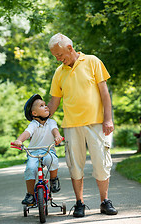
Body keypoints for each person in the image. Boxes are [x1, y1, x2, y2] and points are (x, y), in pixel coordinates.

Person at [47, 33, 118, 217]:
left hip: (96, 123)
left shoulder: (93, 61)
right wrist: (41, 118)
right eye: (55, 56)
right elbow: (54, 102)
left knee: (101, 164)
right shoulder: (59, 72)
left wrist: (108, 119)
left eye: (60, 54)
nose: (58, 58)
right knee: (75, 166)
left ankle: (105, 201)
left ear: (70, 48)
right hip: (71, 126)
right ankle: (79, 203)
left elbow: (105, 94)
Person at [13, 94, 63, 205]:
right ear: (34, 113)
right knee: (30, 168)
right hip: (33, 152)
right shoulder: (33, 124)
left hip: (48, 150)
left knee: (52, 160)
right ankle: (30, 194)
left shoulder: (51, 122)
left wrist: (57, 137)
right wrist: (19, 140)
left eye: (45, 105)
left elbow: (55, 131)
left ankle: (53, 180)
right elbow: (27, 133)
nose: (46, 107)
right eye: (41, 106)